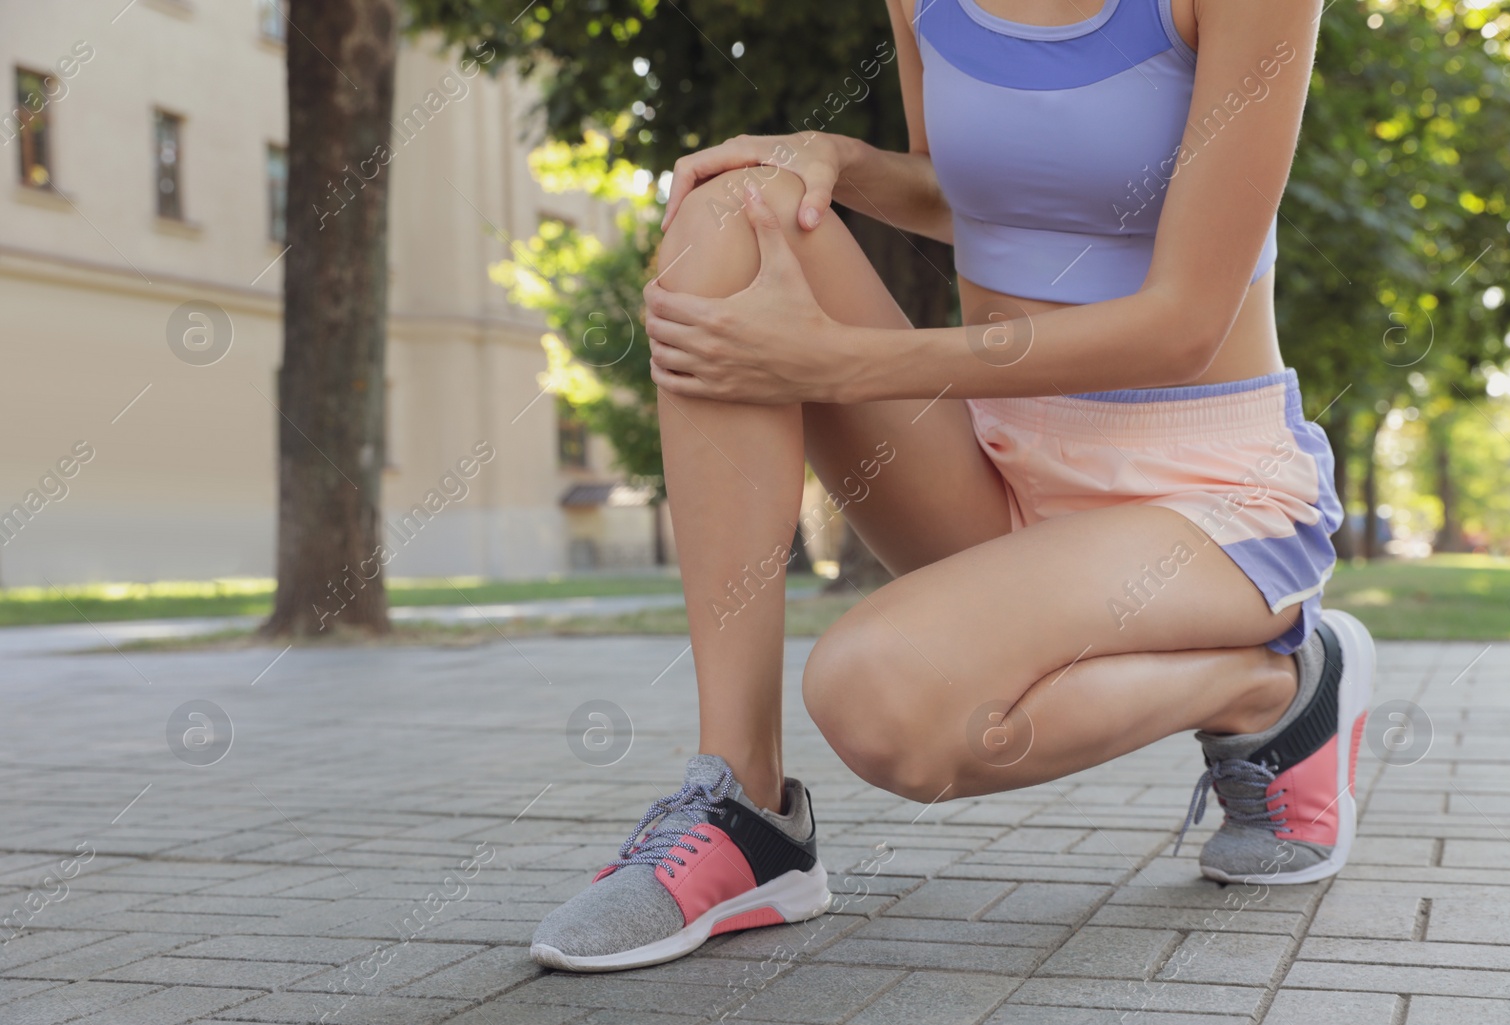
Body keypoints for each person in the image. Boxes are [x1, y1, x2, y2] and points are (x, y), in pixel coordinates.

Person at [531, 0, 1375, 973]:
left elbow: (1182, 319)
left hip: (1203, 492)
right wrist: (836, 158)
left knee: (879, 699)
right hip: (1003, 462)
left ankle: (1275, 681)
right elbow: (967, 194)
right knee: (728, 212)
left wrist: (839, 362)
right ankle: (742, 804)